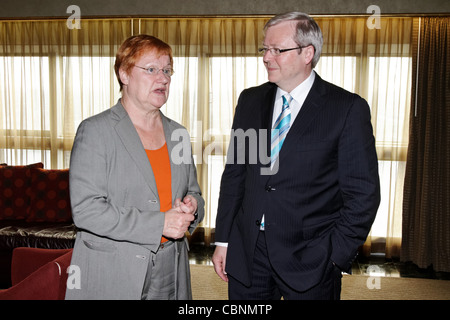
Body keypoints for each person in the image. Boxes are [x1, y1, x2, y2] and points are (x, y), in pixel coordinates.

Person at [212, 12, 380, 300]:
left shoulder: (347, 108)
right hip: (248, 251)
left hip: (311, 256)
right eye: (264, 48)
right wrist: (224, 240)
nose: (267, 57)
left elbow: (363, 194)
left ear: (307, 53)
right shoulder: (249, 101)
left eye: (277, 49)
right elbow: (235, 175)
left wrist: (335, 255)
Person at [65, 35, 204, 300]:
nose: (162, 78)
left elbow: (195, 192)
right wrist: (159, 223)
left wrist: (192, 205)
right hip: (114, 270)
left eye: (166, 70)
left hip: (170, 269)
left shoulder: (179, 134)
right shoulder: (95, 131)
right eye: (151, 69)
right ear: (125, 74)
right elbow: (86, 211)